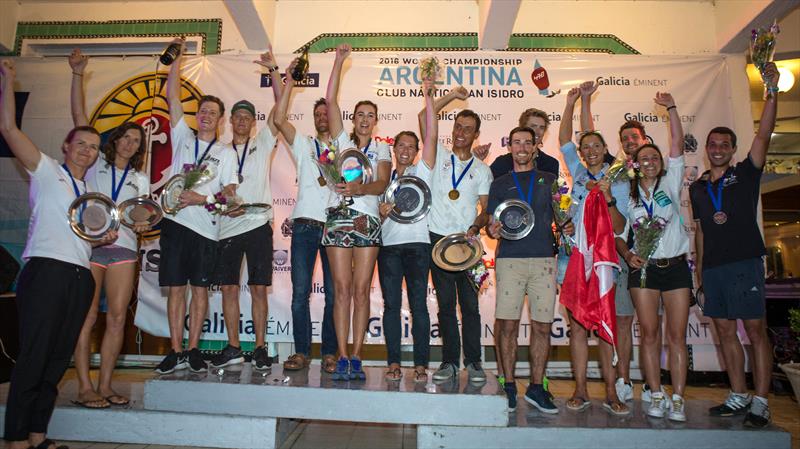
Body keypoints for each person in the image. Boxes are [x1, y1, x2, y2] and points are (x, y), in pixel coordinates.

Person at [1, 58, 117, 449]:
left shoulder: (85, 193)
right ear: (66, 146)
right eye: (81, 144)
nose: (87, 151)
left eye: (93, 148)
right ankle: (16, 438)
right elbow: (8, 128)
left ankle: (38, 436)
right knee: (34, 357)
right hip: (46, 272)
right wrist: (8, 81)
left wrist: (100, 241)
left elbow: (80, 237)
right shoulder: (45, 169)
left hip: (80, 276)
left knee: (56, 360)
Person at [690, 63, 779, 428]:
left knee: (755, 332)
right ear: (707, 148)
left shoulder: (746, 172)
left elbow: (765, 134)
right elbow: (699, 232)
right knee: (724, 332)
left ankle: (761, 400)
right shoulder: (697, 188)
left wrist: (771, 90)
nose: (717, 149)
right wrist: (698, 272)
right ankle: (738, 394)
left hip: (745, 263)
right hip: (713, 268)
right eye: (712, 145)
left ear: (733, 149)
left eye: (724, 145)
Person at [67, 49, 151, 409]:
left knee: (117, 318)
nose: (130, 143)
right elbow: (79, 120)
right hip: (89, 248)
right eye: (126, 137)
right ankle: (83, 386)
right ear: (115, 140)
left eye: (137, 141)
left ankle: (105, 385)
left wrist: (145, 221)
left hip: (124, 250)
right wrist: (77, 75)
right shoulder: (95, 166)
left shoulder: (140, 178)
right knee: (85, 316)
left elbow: (145, 218)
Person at [155, 38, 238, 375]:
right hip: (175, 224)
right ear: (197, 115)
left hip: (205, 228)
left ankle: (192, 350)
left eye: (213, 113)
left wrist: (202, 199)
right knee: (176, 289)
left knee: (199, 291)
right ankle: (175, 350)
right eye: (202, 111)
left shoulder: (226, 154)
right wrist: (177, 57)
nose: (206, 116)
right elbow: (172, 95)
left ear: (220, 121)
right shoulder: (182, 137)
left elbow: (230, 198)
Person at [581, 81, 662, 404]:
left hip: (646, 261)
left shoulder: (655, 171)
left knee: (634, 323)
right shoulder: (615, 170)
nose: (629, 142)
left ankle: (632, 381)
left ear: (645, 141)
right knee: (610, 320)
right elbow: (589, 140)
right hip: (613, 255)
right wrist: (585, 100)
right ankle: (615, 384)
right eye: (625, 138)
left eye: (635, 138)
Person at [209, 49, 283, 371]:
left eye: (247, 117)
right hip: (227, 226)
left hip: (256, 224)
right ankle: (234, 346)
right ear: (230, 122)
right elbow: (211, 191)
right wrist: (223, 198)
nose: (242, 121)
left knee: (257, 288)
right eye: (237, 116)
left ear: (254, 123)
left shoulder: (263, 143)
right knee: (227, 287)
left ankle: (261, 347)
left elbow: (281, 108)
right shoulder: (220, 151)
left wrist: (275, 72)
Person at [558, 84, 629, 415]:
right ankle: (581, 388)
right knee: (577, 326)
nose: (589, 150)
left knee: (604, 324)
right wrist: (571, 101)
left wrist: (608, 195)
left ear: (605, 149)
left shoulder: (617, 176)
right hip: (575, 257)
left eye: (595, 146)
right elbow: (563, 140)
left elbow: (617, 227)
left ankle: (612, 392)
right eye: (585, 147)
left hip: (605, 262)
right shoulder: (577, 170)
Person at [620, 93, 690, 421]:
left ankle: (678, 398)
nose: (648, 161)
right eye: (642, 159)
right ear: (635, 164)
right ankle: (656, 393)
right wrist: (628, 254)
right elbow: (620, 235)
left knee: (676, 336)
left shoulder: (672, 180)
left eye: (653, 157)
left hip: (675, 268)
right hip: (644, 272)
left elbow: (677, 142)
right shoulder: (631, 195)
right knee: (649, 334)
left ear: (661, 161)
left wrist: (671, 108)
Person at [325, 44, 391, 380]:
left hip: (367, 220)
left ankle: (357, 356)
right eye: (360, 114)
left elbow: (381, 184)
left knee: (362, 289)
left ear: (375, 121)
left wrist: (358, 189)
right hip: (338, 219)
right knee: (341, 287)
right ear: (354, 119)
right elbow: (331, 101)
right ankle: (340, 353)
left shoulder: (382, 147)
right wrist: (338, 61)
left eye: (370, 115)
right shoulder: (341, 143)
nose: (365, 120)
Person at [419, 84, 493, 385]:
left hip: (469, 243)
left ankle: (474, 363)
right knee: (447, 305)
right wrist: (450, 97)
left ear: (476, 135)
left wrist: (476, 227)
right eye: (458, 127)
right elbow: (426, 115)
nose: (461, 132)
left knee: (471, 306)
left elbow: (486, 210)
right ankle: (449, 361)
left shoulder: (483, 170)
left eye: (468, 129)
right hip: (438, 240)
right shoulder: (438, 154)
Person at [486, 126, 560, 413]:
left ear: (535, 147)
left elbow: (563, 218)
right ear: (510, 147)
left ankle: (537, 387)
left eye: (527, 143)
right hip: (510, 260)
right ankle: (508, 384)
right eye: (515, 142)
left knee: (542, 326)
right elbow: (493, 228)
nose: (521, 147)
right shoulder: (500, 183)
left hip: (543, 260)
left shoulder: (550, 180)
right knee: (507, 325)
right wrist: (492, 230)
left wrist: (566, 220)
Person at [273, 60, 338, 375]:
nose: (322, 117)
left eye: (326, 113)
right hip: (304, 226)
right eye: (317, 114)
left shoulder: (344, 147)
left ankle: (330, 353)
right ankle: (301, 352)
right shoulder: (303, 145)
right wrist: (289, 83)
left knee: (335, 296)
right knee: (300, 293)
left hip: (335, 228)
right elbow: (279, 118)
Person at [376, 77, 438, 383]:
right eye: (401, 145)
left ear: (416, 152)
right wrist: (380, 210)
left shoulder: (421, 171)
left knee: (418, 306)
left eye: (411, 147)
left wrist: (428, 96)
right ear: (393, 148)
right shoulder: (381, 179)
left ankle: (422, 365)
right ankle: (393, 362)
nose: (406, 150)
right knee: (391, 306)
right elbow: (371, 216)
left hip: (418, 246)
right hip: (388, 248)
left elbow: (432, 135)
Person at [489, 108, 560, 179]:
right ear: (522, 128)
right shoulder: (501, 163)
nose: (537, 132)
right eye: (533, 126)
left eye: (541, 128)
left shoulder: (551, 164)